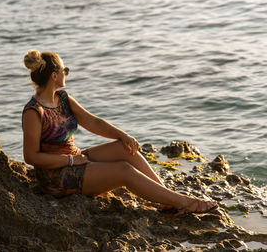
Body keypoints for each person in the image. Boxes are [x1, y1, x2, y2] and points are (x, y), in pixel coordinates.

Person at [21, 50, 217, 213]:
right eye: (65, 70)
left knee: (126, 150)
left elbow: (93, 122)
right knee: (123, 170)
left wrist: (122, 136)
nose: (67, 73)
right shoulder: (34, 111)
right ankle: (183, 202)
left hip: (75, 159)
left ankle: (167, 198)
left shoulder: (62, 98)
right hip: (56, 178)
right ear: (54, 76)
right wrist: (71, 161)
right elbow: (31, 157)